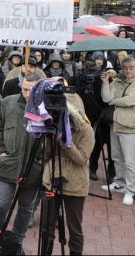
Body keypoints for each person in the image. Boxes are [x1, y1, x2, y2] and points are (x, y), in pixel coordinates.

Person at [0, 73, 41, 245]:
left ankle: (17, 243)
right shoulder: (7, 103)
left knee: (26, 208)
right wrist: (0, 151)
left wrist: (42, 159)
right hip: (9, 164)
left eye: (32, 90)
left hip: (34, 167)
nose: (27, 94)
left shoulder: (45, 107)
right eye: (25, 89)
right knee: (0, 205)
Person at [41, 96, 95, 255]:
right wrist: (50, 136)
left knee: (75, 229)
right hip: (51, 179)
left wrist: (66, 140)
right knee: (46, 227)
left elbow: (82, 159)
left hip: (75, 184)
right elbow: (47, 153)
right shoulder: (55, 125)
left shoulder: (86, 130)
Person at [100, 57, 135, 205]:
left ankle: (131, 189)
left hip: (130, 127)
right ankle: (119, 182)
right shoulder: (117, 80)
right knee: (116, 157)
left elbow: (129, 100)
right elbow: (105, 97)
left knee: (130, 161)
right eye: (125, 67)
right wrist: (104, 83)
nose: (128, 70)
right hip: (115, 124)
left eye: (132, 67)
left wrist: (113, 101)